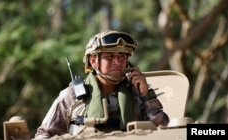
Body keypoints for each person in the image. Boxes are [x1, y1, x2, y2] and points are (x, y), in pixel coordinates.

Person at [34, 30, 169, 139]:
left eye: (122, 56)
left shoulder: (137, 94)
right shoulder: (71, 97)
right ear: (93, 61)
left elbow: (165, 130)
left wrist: (146, 95)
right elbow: (43, 135)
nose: (117, 61)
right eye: (109, 56)